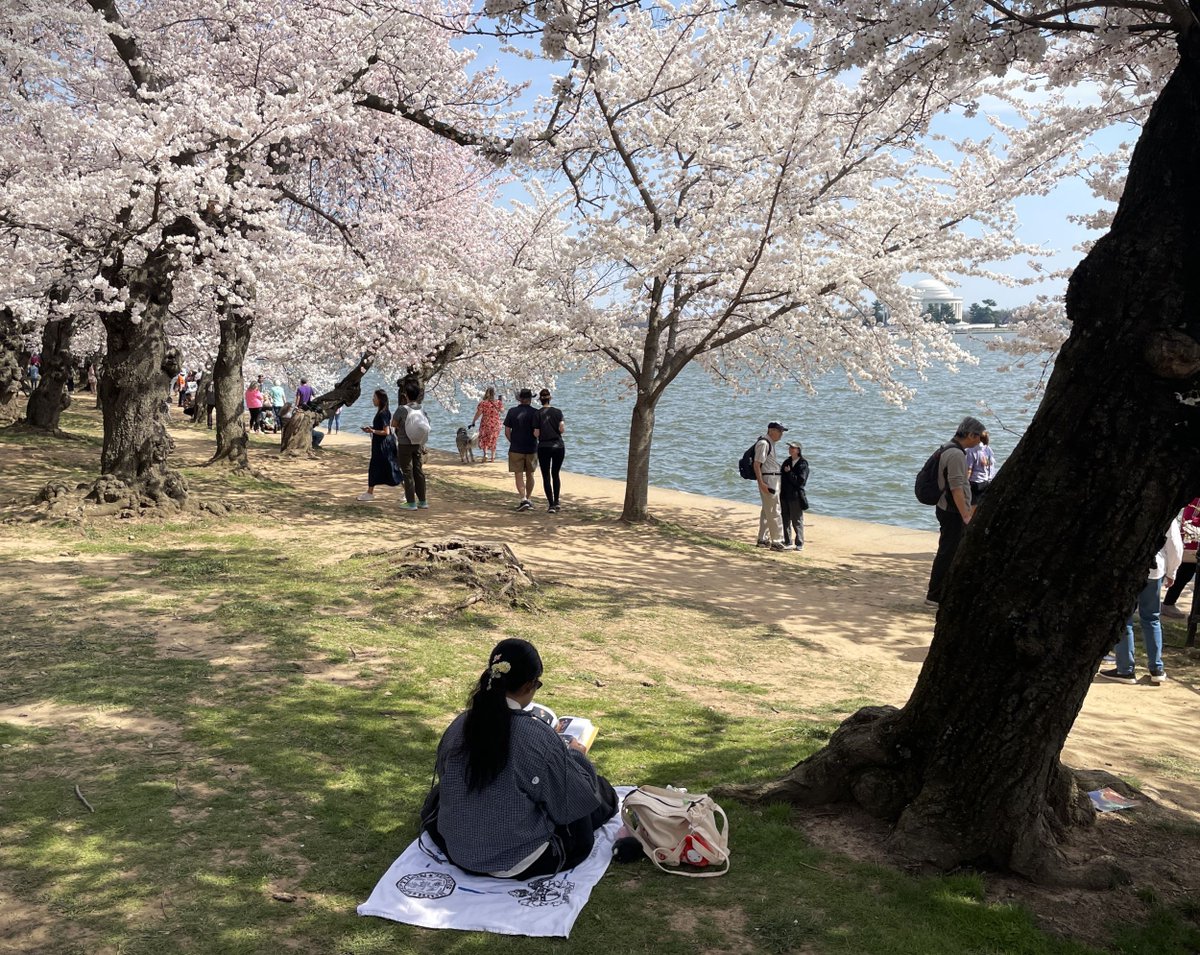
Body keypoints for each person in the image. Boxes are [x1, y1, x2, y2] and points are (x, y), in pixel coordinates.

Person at [422, 638, 618, 878]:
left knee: (439, 797)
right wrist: (575, 754)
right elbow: (573, 800)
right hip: (520, 860)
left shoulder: (461, 724)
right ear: (528, 685)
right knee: (596, 793)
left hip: (459, 851)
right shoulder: (535, 736)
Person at [1100, 516, 1183, 685]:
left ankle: (1125, 669)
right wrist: (1171, 571)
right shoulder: (1167, 513)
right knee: (1151, 618)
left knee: (1124, 619)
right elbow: (1174, 545)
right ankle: (1156, 668)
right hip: (1154, 571)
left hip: (1126, 569)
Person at [924, 416, 985, 606]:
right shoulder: (956, 454)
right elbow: (957, 487)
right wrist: (966, 514)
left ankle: (940, 592)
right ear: (969, 434)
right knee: (948, 552)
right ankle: (935, 595)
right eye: (978, 437)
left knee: (949, 550)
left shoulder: (947, 447)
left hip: (946, 508)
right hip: (952, 511)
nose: (979, 442)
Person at [391, 381, 428, 510]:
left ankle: (411, 502)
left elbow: (393, 424)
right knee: (418, 471)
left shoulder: (402, 409)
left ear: (406, 395)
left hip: (404, 444)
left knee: (407, 472)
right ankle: (423, 501)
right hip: (417, 443)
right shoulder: (422, 408)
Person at [1162, 496, 1200, 617]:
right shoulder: (1197, 500)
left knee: (1186, 572)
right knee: (1185, 572)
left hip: (1194, 538)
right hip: (1194, 540)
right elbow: (1190, 519)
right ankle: (1168, 603)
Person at [358, 389, 397, 502]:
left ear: (380, 400)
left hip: (383, 445)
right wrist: (372, 429)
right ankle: (370, 492)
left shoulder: (383, 413)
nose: (373, 399)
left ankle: (406, 489)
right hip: (380, 444)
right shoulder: (382, 412)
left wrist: (373, 431)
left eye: (374, 397)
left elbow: (386, 431)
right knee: (378, 467)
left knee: (390, 467)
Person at [753, 422, 788, 552]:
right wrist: (761, 483)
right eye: (779, 431)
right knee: (774, 510)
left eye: (782, 431)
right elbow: (757, 465)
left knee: (767, 511)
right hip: (769, 478)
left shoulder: (770, 443)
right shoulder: (764, 443)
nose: (781, 434)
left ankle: (763, 539)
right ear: (771, 430)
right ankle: (777, 541)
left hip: (772, 478)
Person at [504, 389, 540, 511]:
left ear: (519, 399)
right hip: (531, 448)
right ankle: (528, 499)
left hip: (515, 448)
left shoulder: (512, 411)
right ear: (530, 399)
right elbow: (537, 432)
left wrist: (513, 441)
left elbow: (507, 431)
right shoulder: (536, 413)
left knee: (518, 474)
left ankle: (523, 498)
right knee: (530, 474)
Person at [536, 389, 566, 513]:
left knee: (546, 475)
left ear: (540, 400)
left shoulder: (537, 414)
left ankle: (551, 504)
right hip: (558, 445)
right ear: (550, 398)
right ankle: (557, 500)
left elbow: (536, 432)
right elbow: (562, 428)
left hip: (544, 446)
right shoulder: (558, 412)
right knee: (555, 473)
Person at [779, 440, 809, 551]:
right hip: (784, 495)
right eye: (790, 447)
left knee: (797, 520)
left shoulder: (803, 464)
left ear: (798, 450)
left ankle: (799, 543)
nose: (791, 449)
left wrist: (790, 473)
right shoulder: (787, 461)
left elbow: (801, 482)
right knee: (785, 519)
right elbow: (781, 477)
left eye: (793, 448)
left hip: (796, 496)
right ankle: (787, 541)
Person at [471, 387, 504, 463]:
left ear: (486, 393)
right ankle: (492, 457)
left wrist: (473, 421)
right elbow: (502, 411)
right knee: (493, 439)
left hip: (485, 422)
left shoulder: (483, 403)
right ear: (494, 393)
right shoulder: (498, 402)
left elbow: (478, 413)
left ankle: (485, 454)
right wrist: (500, 403)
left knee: (484, 438)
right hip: (495, 423)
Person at [965, 430, 997, 503]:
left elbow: (969, 470)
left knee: (972, 506)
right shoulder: (988, 449)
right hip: (986, 481)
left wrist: (965, 483)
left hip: (975, 482)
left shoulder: (970, 450)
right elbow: (991, 464)